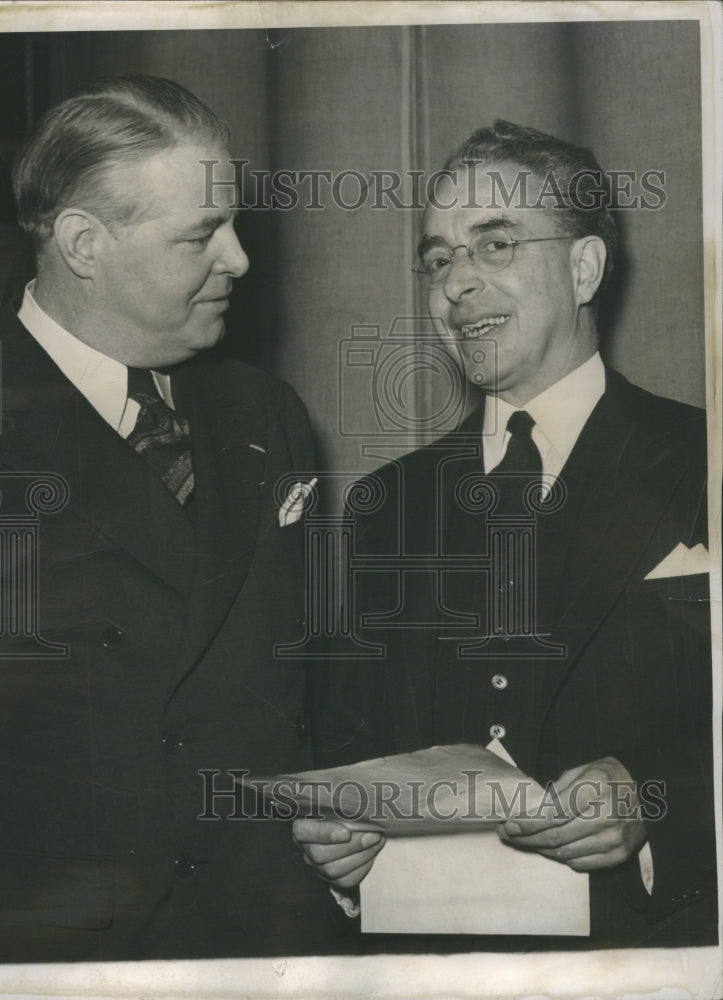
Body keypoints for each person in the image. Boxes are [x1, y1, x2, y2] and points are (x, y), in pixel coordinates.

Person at [294, 121, 717, 950]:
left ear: (583, 266)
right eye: (438, 258)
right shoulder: (386, 504)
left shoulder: (705, 461)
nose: (455, 284)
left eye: (494, 245)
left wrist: (658, 795)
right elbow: (346, 742)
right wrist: (332, 835)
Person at [0, 75, 340, 963]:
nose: (239, 258)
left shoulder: (265, 413)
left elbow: (312, 674)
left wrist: (344, 816)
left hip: (265, 937)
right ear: (85, 243)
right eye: (203, 233)